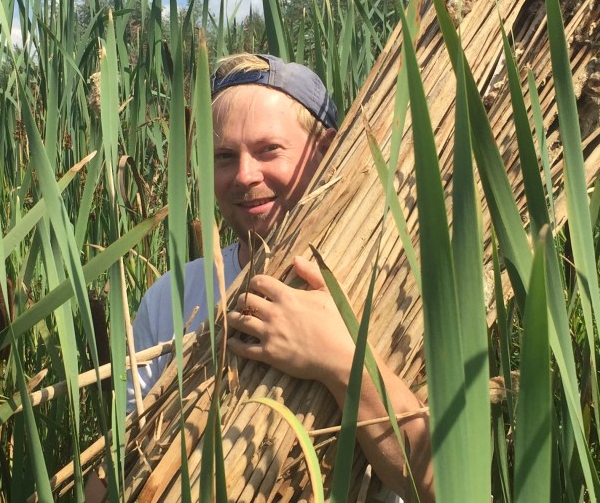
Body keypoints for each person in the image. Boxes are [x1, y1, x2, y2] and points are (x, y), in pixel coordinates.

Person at [125, 53, 433, 501]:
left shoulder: (398, 285)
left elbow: (446, 483)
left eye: (269, 150)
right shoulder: (173, 295)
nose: (245, 176)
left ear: (325, 150)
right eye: (225, 157)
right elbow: (129, 466)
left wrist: (339, 356)